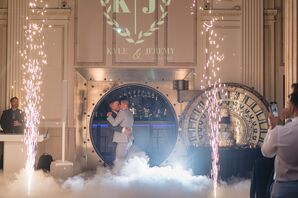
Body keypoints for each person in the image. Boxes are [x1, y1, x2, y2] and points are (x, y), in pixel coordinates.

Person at [261, 92, 298, 198]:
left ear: (293, 107)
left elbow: (266, 152)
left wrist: (273, 127)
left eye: (288, 103)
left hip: (284, 187)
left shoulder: (280, 132)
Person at [107, 99, 134, 171]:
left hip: (121, 139)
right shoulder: (129, 112)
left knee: (119, 157)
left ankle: (118, 172)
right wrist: (124, 130)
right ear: (112, 106)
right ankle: (118, 171)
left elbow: (115, 124)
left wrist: (124, 130)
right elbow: (112, 127)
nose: (119, 105)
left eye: (120, 104)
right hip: (123, 138)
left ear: (124, 105)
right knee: (118, 157)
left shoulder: (122, 112)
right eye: (117, 104)